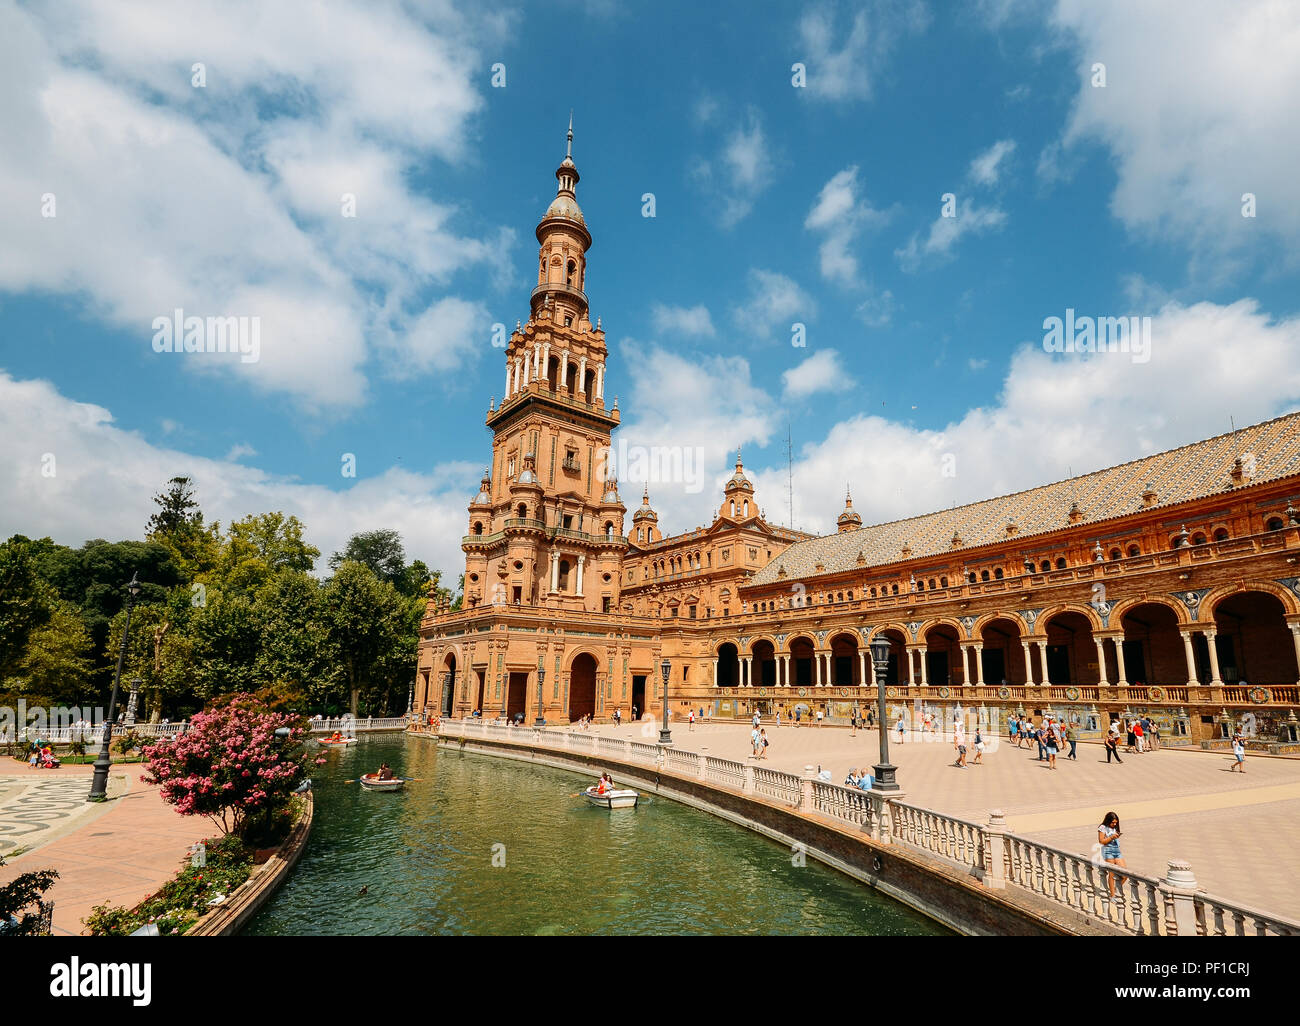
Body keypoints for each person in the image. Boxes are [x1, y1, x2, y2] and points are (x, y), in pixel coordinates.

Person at [1098, 812, 1127, 896]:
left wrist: (1116, 836)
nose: (1114, 824)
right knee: (1112, 874)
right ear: (1108, 821)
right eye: (1113, 822)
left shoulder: (1115, 827)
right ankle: (1112, 895)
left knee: (1125, 874)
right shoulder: (1103, 827)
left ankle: (1114, 889)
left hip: (1117, 850)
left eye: (1116, 822)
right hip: (1108, 851)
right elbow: (1101, 841)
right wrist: (1111, 837)